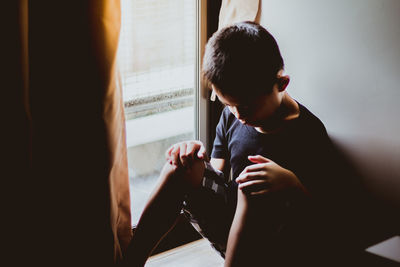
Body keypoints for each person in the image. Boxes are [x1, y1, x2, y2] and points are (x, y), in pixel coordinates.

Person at [125, 21, 345, 267]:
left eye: (246, 106)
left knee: (251, 184)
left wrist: (291, 184)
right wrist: (194, 156)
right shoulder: (233, 114)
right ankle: (130, 261)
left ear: (281, 84)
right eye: (228, 104)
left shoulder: (308, 133)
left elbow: (327, 218)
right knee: (181, 165)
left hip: (276, 247)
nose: (238, 114)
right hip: (229, 232)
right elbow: (216, 174)